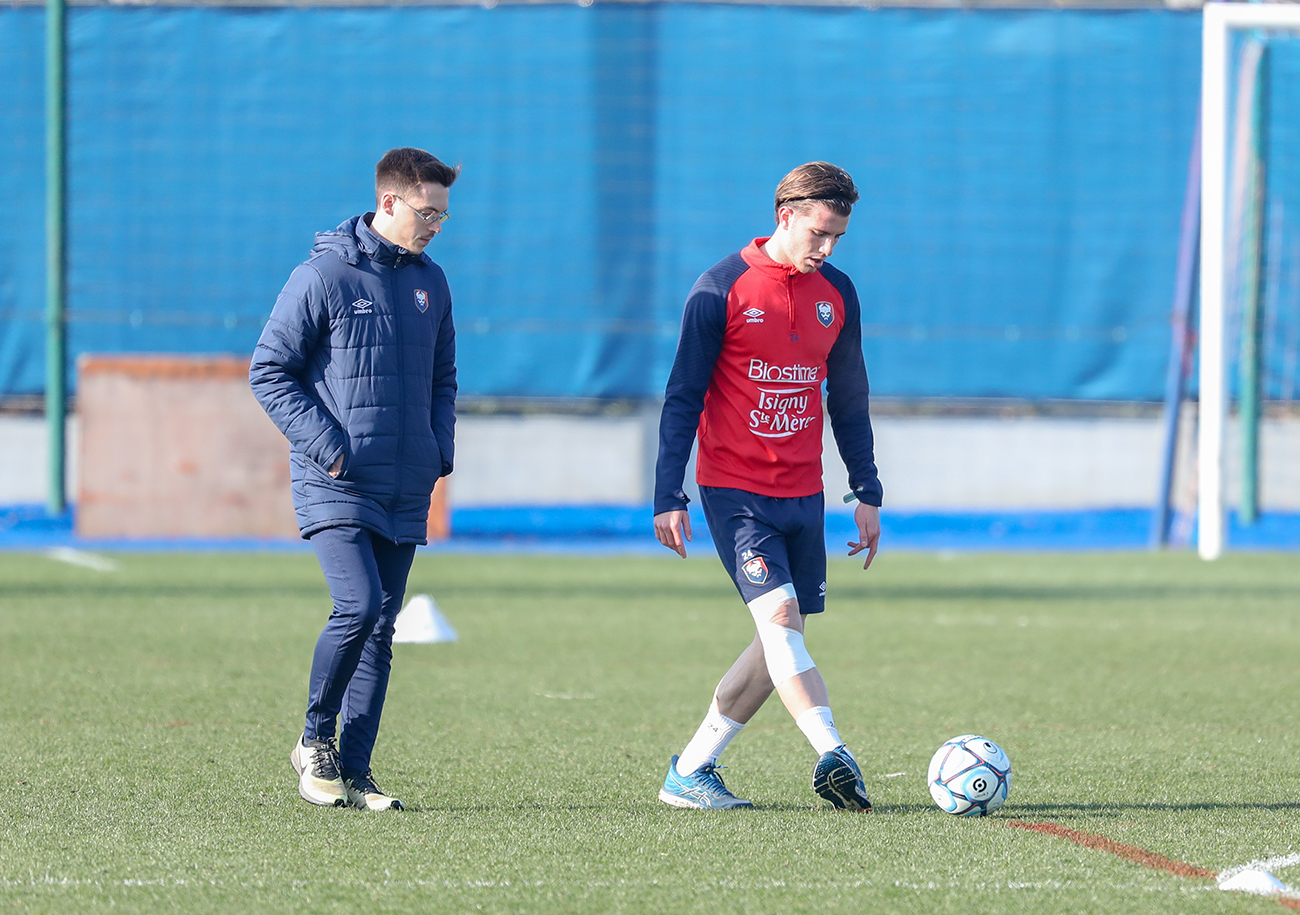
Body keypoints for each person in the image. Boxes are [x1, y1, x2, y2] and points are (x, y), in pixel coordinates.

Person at [653, 161, 883, 811]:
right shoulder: (721, 288)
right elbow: (681, 398)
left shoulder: (837, 293)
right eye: (818, 233)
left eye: (837, 237)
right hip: (736, 492)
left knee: (778, 640)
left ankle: (692, 769)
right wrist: (667, 493)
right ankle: (832, 750)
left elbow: (851, 398)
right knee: (781, 621)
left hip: (804, 496)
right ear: (785, 215)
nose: (828, 248)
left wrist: (867, 489)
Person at [250, 147, 459, 811]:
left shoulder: (433, 283)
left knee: (383, 626)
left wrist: (437, 451)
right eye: (427, 212)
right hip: (335, 480)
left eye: (443, 216)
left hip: (406, 481)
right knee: (359, 605)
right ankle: (315, 738)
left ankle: (358, 772)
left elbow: (443, 380)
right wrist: (331, 449)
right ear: (390, 202)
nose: (435, 225)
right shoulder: (324, 275)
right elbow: (268, 369)